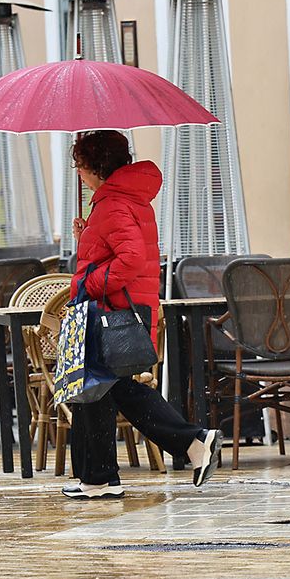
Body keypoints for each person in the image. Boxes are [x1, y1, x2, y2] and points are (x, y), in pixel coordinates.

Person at [62, 130, 223, 499]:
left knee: (107, 387)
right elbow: (119, 247)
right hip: (118, 312)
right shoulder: (120, 201)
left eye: (80, 166)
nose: (78, 174)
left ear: (96, 167)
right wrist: (88, 237)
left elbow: (131, 259)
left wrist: (92, 278)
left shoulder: (113, 204)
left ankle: (193, 441)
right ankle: (98, 479)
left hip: (110, 313)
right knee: (97, 390)